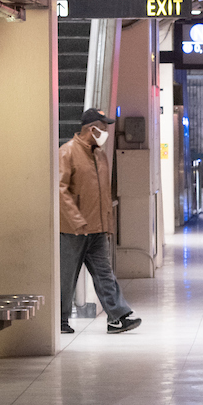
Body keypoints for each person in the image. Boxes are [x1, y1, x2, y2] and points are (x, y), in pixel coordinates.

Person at [59, 108, 141, 334]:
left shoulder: (99, 155)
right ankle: (59, 320)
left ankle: (117, 317)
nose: (105, 132)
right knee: (67, 276)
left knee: (105, 273)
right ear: (91, 128)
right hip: (73, 230)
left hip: (96, 228)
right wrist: (76, 220)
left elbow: (104, 193)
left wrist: (108, 223)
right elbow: (60, 190)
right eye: (103, 128)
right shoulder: (66, 153)